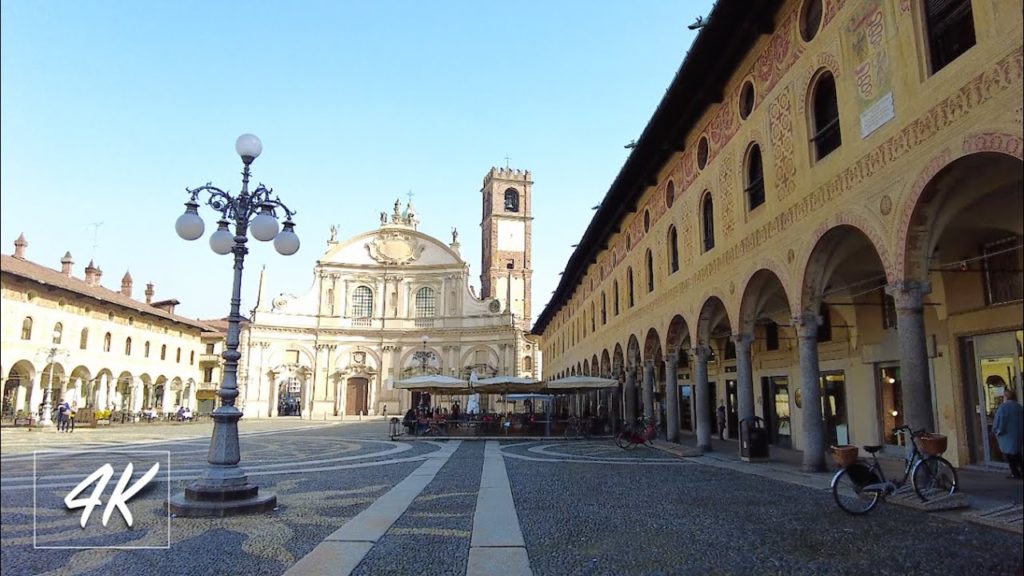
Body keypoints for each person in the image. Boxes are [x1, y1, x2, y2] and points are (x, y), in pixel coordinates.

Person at [993, 387, 1023, 479]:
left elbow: (1001, 420)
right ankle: (1021, 471)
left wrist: (997, 430)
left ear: (1006, 397)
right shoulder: (1019, 407)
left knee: (1009, 455)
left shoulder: (1003, 407)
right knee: (1017, 454)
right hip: (1018, 434)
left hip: (1007, 435)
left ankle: (1015, 473)